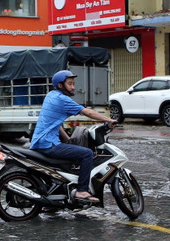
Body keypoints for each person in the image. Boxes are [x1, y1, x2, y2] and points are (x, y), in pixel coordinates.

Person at [28, 70, 117, 203]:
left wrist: (68, 139)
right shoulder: (63, 99)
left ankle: (55, 198)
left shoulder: (51, 96)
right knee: (87, 154)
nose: (73, 87)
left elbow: (55, 124)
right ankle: (81, 190)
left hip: (39, 143)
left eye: (74, 84)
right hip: (48, 145)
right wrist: (108, 120)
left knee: (71, 154)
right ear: (60, 85)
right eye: (70, 84)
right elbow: (88, 112)